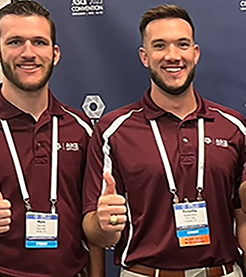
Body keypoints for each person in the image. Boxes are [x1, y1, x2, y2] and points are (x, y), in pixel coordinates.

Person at [0, 1, 104, 276]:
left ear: (55, 53)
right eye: (15, 42)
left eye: (39, 42)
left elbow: (92, 221)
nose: (29, 53)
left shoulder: (82, 128)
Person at [82, 4, 246, 277]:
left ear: (195, 53)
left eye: (182, 45)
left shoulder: (234, 126)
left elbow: (243, 220)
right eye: (160, 46)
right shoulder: (113, 130)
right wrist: (104, 225)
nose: (172, 56)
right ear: (145, 56)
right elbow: (93, 231)